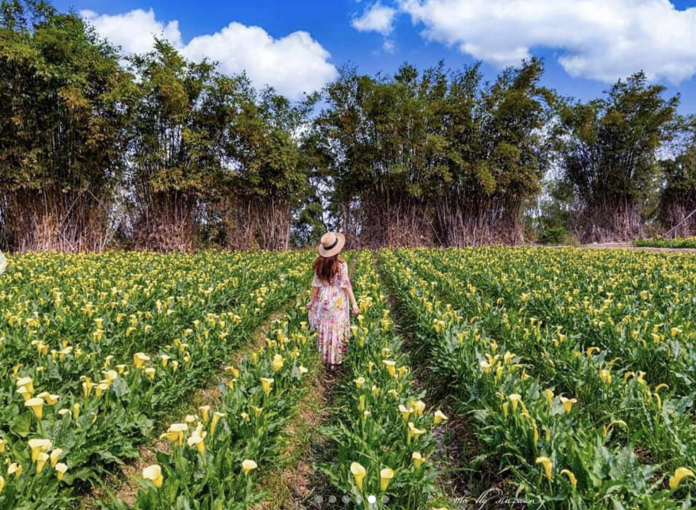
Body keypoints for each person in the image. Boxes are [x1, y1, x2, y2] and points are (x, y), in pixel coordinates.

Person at [307, 232, 358, 369]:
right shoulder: (341, 265)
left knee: (324, 328)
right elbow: (346, 285)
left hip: (323, 299)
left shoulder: (318, 265)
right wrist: (354, 303)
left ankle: (323, 359)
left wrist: (311, 302)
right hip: (337, 301)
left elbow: (315, 285)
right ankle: (335, 362)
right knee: (336, 329)